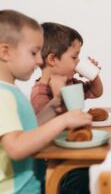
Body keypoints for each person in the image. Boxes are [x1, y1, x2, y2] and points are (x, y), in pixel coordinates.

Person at [0, 10, 92, 194]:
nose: (39, 60)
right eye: (34, 53)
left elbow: (28, 133)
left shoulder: (10, 91)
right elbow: (16, 148)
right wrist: (63, 121)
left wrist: (52, 108)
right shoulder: (3, 95)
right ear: (5, 52)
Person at [30, 22, 103, 123]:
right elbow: (47, 124)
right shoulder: (40, 93)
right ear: (52, 60)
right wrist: (58, 89)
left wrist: (93, 75)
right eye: (74, 57)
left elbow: (96, 92)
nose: (78, 62)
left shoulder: (71, 83)